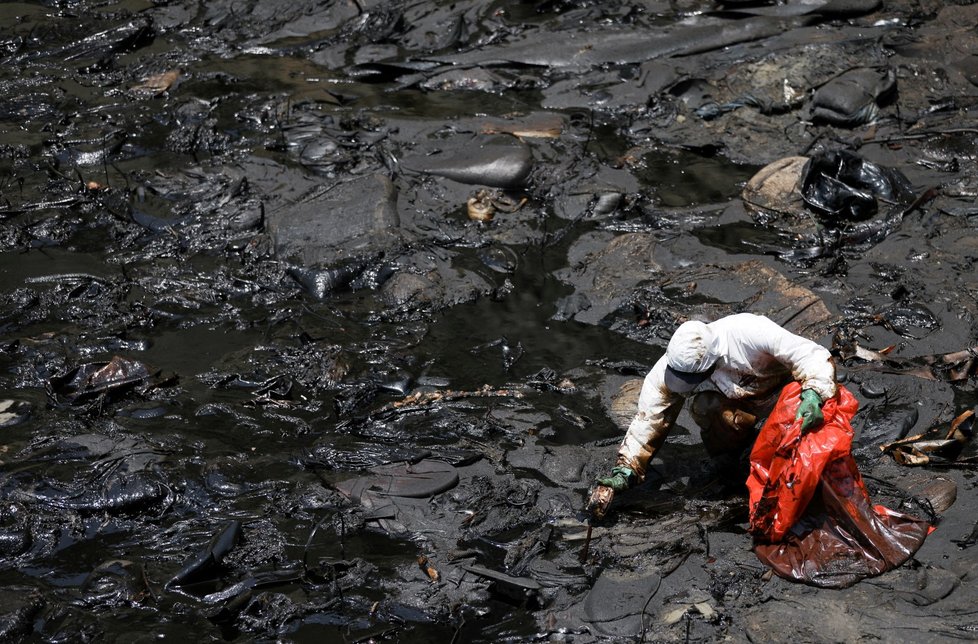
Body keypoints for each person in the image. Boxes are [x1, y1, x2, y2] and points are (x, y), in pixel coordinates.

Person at [588, 312, 837, 518]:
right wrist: (627, 467)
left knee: (803, 447)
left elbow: (810, 355)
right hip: (745, 404)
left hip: (788, 398)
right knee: (703, 406)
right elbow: (649, 418)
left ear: (712, 358)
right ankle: (736, 463)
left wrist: (814, 393)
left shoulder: (750, 332)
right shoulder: (670, 366)